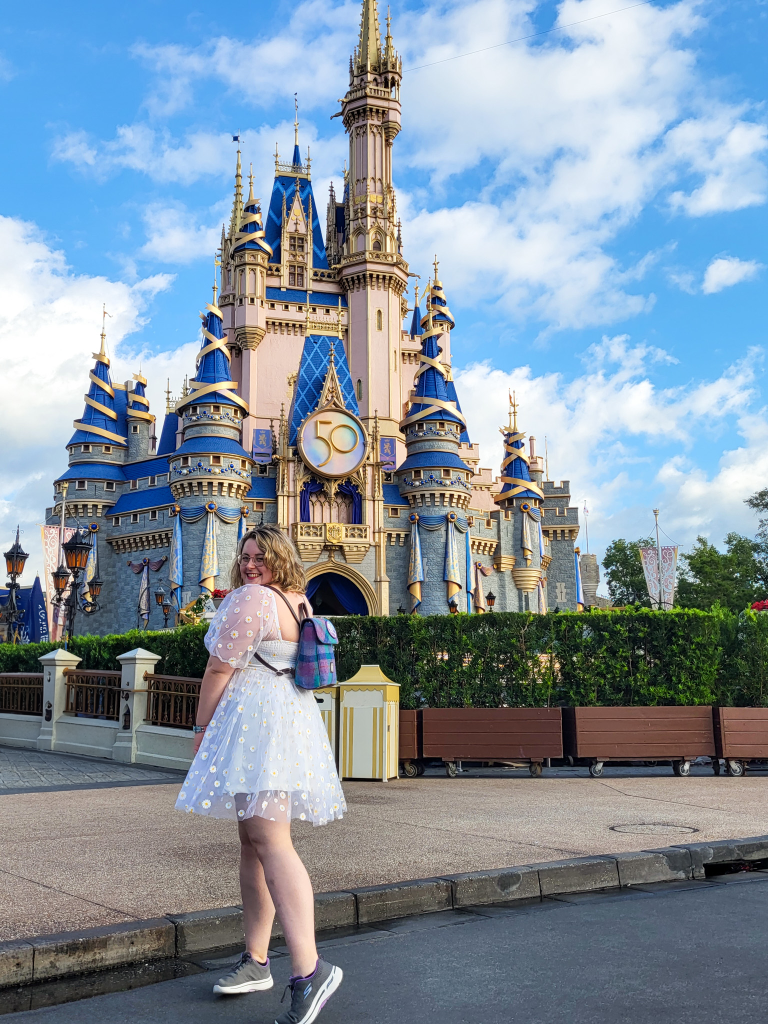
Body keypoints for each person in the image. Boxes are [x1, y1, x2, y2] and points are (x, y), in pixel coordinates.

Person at [176, 524, 346, 1024]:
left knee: (272, 844)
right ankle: (256, 960)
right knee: (254, 842)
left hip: (258, 726)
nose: (250, 564)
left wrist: (201, 726)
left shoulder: (253, 599)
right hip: (287, 721)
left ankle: (310, 971)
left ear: (280, 558)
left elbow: (218, 668)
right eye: (246, 555)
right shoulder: (299, 602)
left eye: (261, 555)